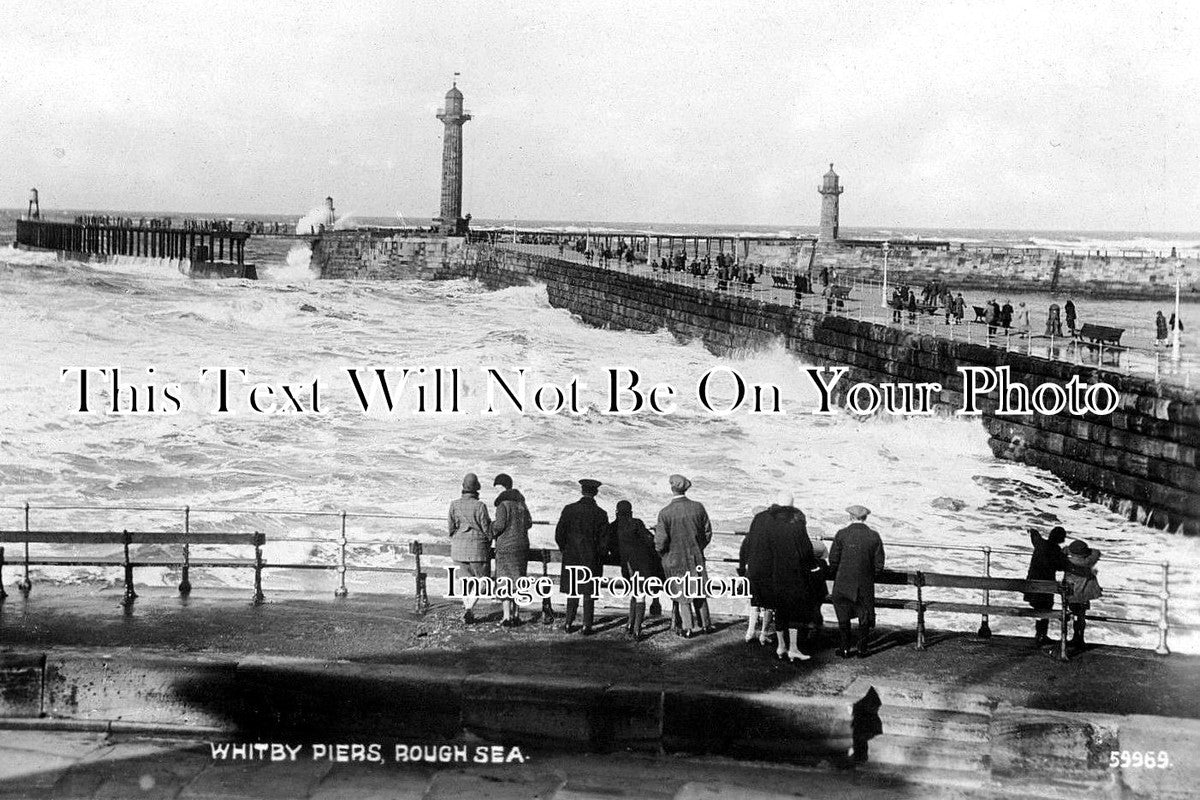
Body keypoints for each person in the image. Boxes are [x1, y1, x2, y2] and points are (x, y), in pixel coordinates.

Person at [744, 492, 819, 662]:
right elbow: (805, 548)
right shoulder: (796, 520)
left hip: (770, 572)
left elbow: (756, 545)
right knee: (794, 610)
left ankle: (781, 646)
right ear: (792, 506)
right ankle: (792, 648)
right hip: (791, 571)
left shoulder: (767, 520)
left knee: (779, 609)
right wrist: (812, 566)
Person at [655, 474, 713, 638]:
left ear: (672, 488)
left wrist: (664, 554)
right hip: (695, 556)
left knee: (682, 595)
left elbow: (660, 542)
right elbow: (707, 533)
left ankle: (688, 627)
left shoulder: (665, 513)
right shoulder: (698, 507)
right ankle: (706, 624)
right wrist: (698, 548)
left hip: (675, 558)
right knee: (699, 591)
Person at [829, 504, 885, 658]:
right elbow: (879, 565)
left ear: (850, 517)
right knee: (864, 615)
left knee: (843, 614)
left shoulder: (841, 534)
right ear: (865, 518)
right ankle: (862, 649)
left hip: (843, 582)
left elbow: (833, 560)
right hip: (864, 583)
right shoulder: (874, 536)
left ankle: (845, 648)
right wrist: (869, 576)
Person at [554, 478, 610, 635]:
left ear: (582, 491)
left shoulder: (569, 509)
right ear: (596, 492)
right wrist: (599, 555)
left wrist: (566, 549)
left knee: (573, 591)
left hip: (571, 556)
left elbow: (559, 534)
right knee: (588, 593)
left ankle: (568, 623)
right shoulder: (601, 514)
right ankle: (586, 625)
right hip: (591, 559)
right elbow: (604, 541)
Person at [610, 500, 662, 640]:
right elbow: (649, 540)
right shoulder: (636, 523)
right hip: (640, 564)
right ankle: (637, 629)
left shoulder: (613, 527)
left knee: (634, 593)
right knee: (640, 595)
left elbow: (611, 548)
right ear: (631, 512)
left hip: (626, 566)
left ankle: (629, 624)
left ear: (616, 513)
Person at [447, 473, 493, 624]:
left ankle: (468, 608)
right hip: (478, 549)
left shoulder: (454, 504)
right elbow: (486, 528)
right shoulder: (480, 506)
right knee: (482, 582)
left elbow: (451, 528)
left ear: (463, 487)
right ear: (477, 488)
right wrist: (491, 538)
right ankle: (469, 608)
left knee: (465, 581)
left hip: (459, 548)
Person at [492, 473, 533, 628]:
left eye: (498, 488)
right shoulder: (521, 503)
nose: (497, 492)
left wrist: (490, 527)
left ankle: (506, 616)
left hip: (506, 549)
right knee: (518, 580)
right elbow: (529, 523)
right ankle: (516, 614)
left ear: (503, 487)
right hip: (522, 547)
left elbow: (499, 526)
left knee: (505, 581)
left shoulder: (503, 505)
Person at [1023, 526, 1068, 646]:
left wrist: (1031, 530)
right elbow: (1060, 566)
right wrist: (1064, 554)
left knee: (1038, 608)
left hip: (1032, 584)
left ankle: (1039, 634)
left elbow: (1035, 537)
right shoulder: (1055, 550)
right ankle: (1041, 635)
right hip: (1046, 586)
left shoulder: (1040, 544)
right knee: (1045, 608)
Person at [738, 505, 773, 645]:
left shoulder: (749, 536)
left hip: (752, 572)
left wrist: (742, 574)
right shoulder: (772, 535)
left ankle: (750, 633)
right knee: (770, 604)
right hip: (768, 573)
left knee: (754, 603)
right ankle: (764, 634)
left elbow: (742, 555)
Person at [1063, 540, 1102, 649]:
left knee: (1074, 615)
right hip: (1084, 595)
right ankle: (1079, 638)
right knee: (1081, 617)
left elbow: (1062, 551)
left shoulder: (1067, 560)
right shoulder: (1088, 561)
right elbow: (1096, 552)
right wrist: (1089, 551)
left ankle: (1074, 638)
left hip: (1071, 594)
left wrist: (1067, 549)